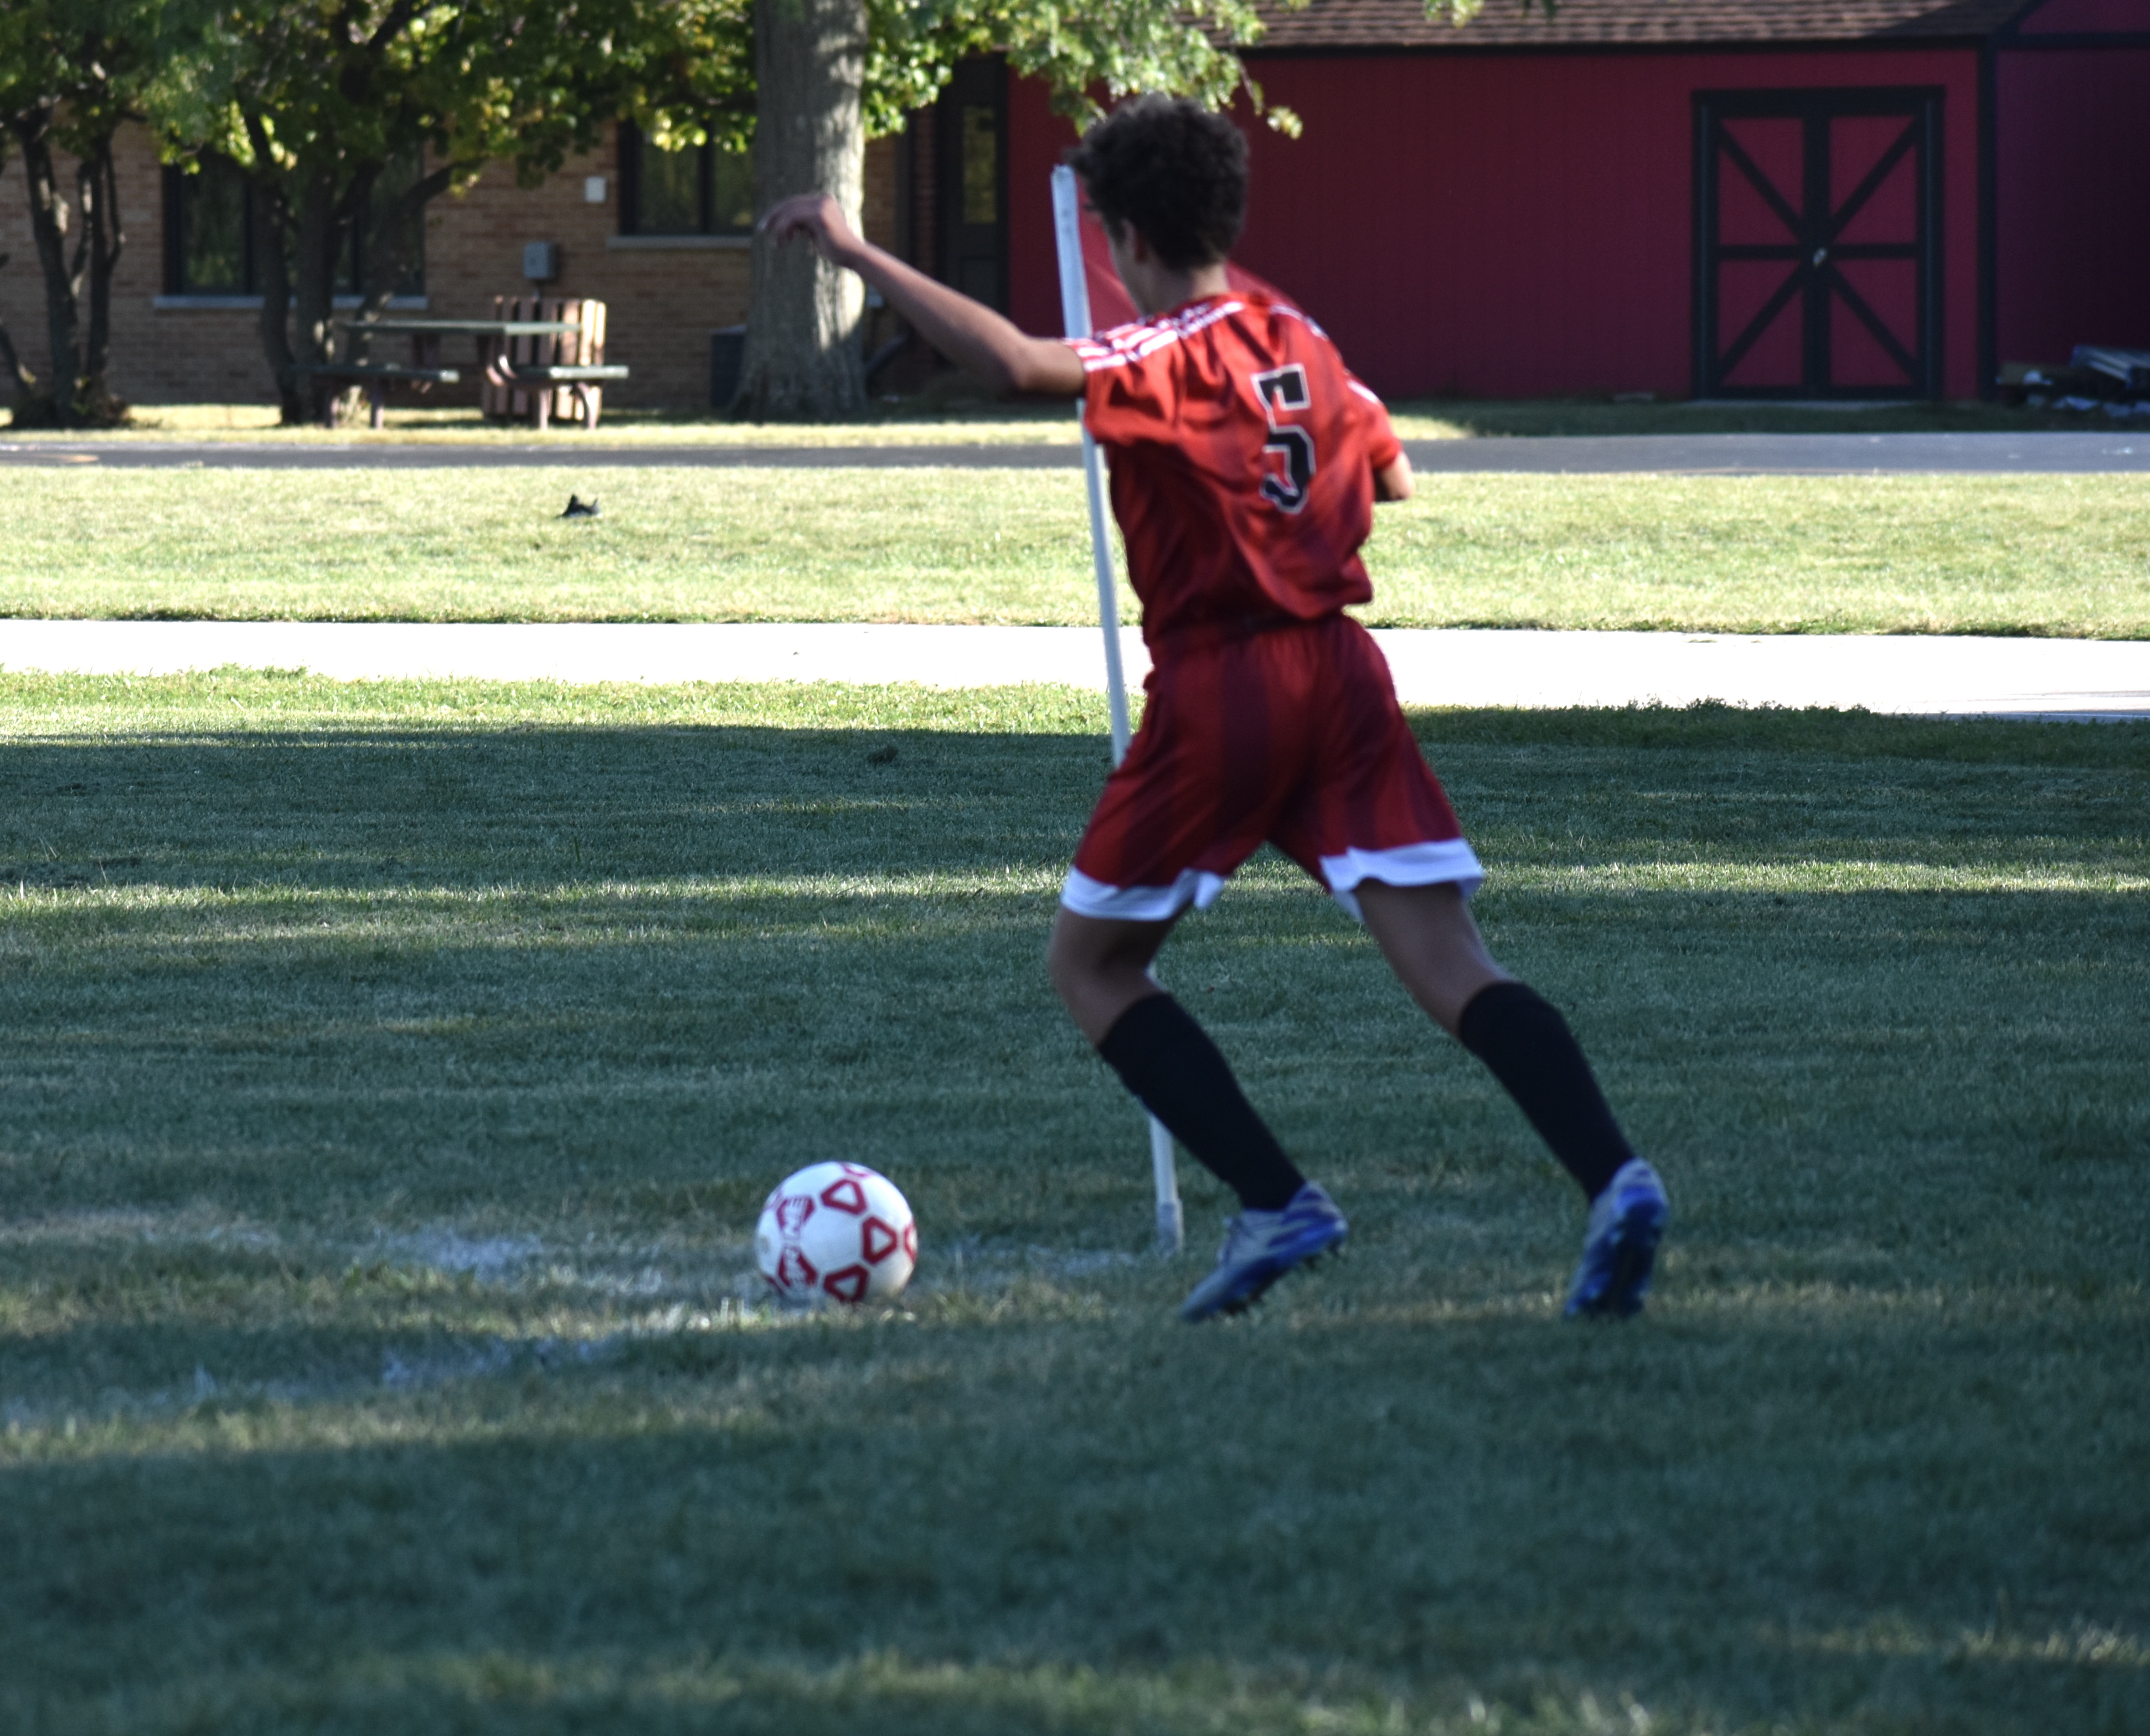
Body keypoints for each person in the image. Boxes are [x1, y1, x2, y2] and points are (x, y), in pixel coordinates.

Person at [761, 95, 1668, 1323]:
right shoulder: (1298, 330)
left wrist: (858, 250)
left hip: (1225, 684)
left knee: (1090, 964)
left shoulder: (1169, 351)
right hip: (1344, 675)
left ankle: (1278, 1198)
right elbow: (1391, 474)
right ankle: (1615, 1177)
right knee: (1454, 961)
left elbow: (1021, 366)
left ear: (1126, 237)